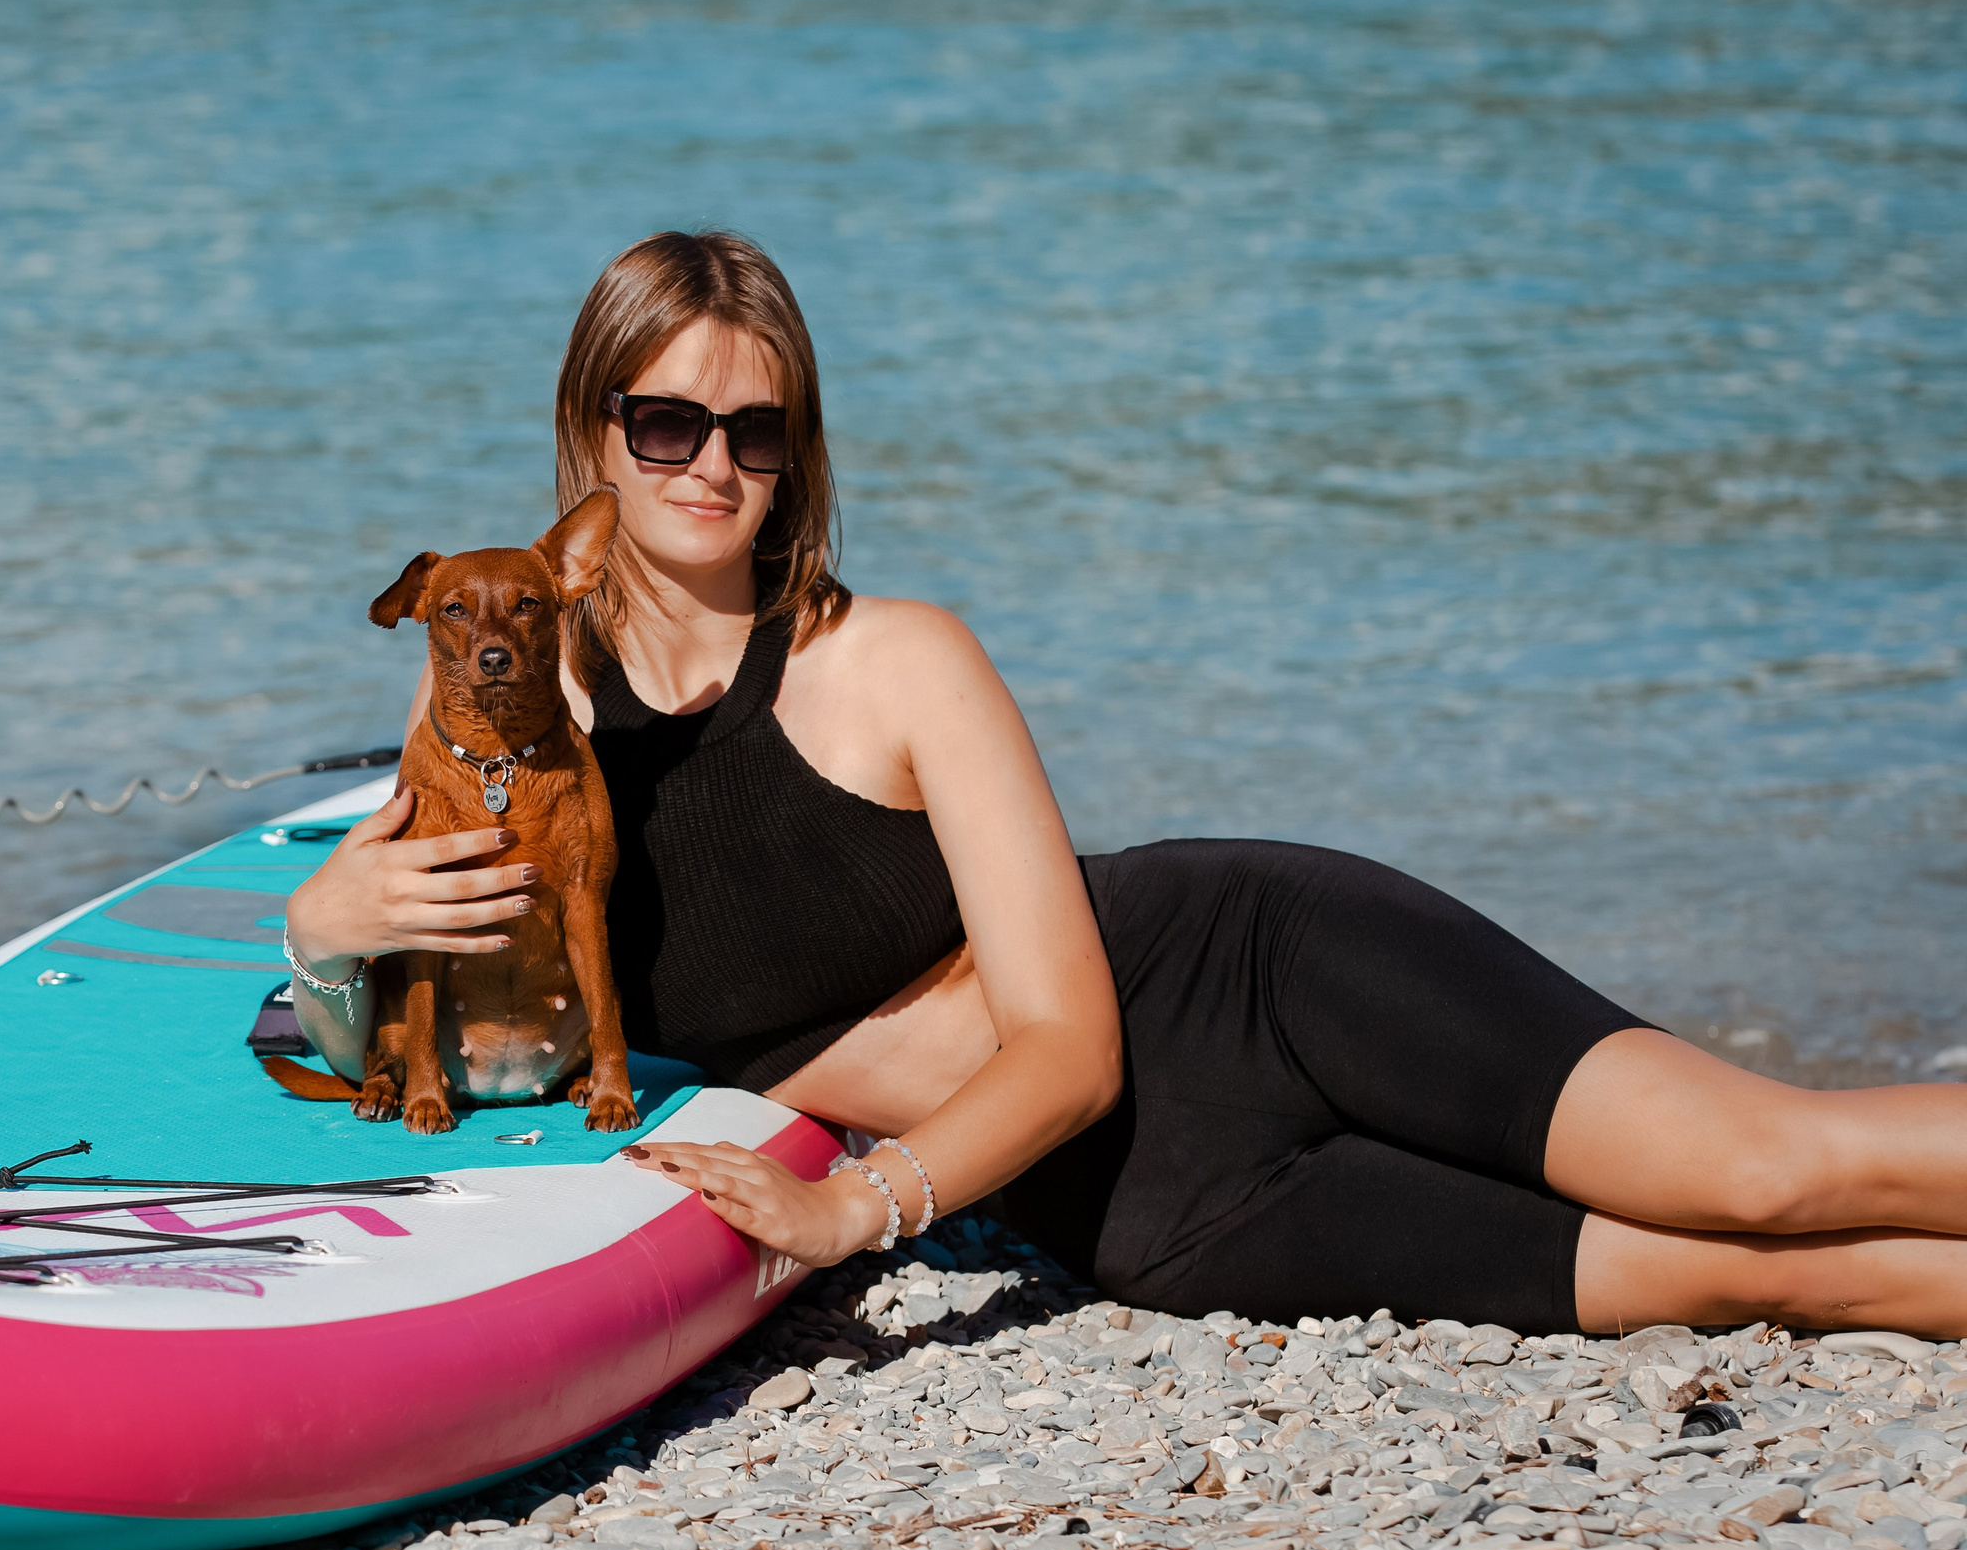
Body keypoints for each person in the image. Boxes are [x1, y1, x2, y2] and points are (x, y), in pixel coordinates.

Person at [282, 229, 1967, 1340]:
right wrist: (320, 920)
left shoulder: (900, 659)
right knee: (1762, 1284)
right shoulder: (521, 721)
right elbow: (388, 969)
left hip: (1251, 982)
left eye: (761, 429)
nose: (716, 464)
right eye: (669, 424)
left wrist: (857, 1205)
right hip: (1153, 1212)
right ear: (594, 432)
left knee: (1767, 1168)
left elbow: (1069, 1042)